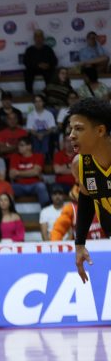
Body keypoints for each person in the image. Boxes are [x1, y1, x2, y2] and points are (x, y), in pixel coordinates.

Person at [68, 98, 111, 283]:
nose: (71, 135)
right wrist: (79, 244)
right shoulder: (80, 164)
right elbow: (86, 198)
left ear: (100, 131)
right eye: (71, 129)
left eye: (78, 128)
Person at [9, 137, 50, 206]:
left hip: (35, 185)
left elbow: (36, 172)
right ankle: (10, 211)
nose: (19, 147)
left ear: (29, 146)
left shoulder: (38, 156)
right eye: (19, 145)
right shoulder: (14, 157)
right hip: (19, 186)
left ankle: (46, 210)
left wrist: (18, 173)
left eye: (21, 145)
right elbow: (11, 175)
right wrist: (31, 173)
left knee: (41, 186)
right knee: (9, 188)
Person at [22, 29, 57, 95]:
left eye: (40, 37)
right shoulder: (29, 50)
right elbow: (26, 62)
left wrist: (48, 65)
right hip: (34, 69)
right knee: (27, 72)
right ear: (34, 39)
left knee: (51, 72)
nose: (38, 39)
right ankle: (29, 92)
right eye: (37, 37)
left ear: (43, 38)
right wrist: (37, 65)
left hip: (46, 69)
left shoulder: (48, 49)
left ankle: (50, 92)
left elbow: (55, 61)